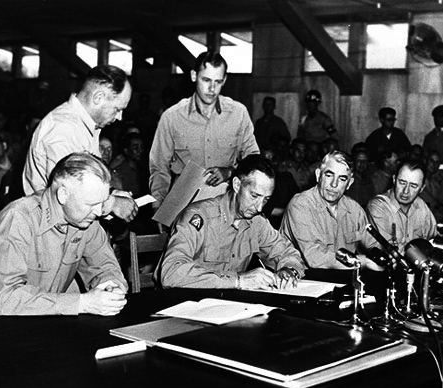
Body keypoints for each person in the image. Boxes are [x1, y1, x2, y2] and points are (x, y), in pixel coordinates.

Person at [0, 152, 128, 316]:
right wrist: (83, 303)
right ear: (63, 195)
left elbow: (105, 268)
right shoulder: (18, 218)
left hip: (47, 322)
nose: (99, 211)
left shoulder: (87, 219)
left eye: (102, 202)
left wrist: (111, 288)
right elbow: (6, 300)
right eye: (92, 204)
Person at [157, 154, 305, 289]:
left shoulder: (256, 221)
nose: (259, 207)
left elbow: (288, 252)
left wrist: (288, 270)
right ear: (236, 185)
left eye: (265, 199)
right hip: (186, 304)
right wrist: (239, 281)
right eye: (254, 196)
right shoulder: (199, 216)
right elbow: (171, 273)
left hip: (229, 307)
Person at [24, 65, 137, 222]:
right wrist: (112, 203)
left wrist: (111, 192)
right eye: (117, 109)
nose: (119, 117)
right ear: (98, 97)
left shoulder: (86, 126)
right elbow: (68, 197)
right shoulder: (63, 130)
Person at [150, 51, 259, 210]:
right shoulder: (171, 117)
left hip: (226, 205)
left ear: (225, 80)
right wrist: (157, 207)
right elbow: (159, 168)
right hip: (183, 206)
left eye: (218, 81)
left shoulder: (238, 114)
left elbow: (254, 160)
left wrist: (230, 171)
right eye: (206, 80)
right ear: (194, 76)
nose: (212, 88)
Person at [280, 151, 378, 269]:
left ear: (349, 183)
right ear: (318, 175)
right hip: (304, 279)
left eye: (342, 179)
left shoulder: (355, 210)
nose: (334, 184)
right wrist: (362, 262)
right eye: (329, 175)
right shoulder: (300, 205)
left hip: (341, 280)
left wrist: (383, 257)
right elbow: (315, 257)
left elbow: (373, 245)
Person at [367, 160, 436, 252]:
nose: (406, 191)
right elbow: (389, 253)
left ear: (422, 188)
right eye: (402, 182)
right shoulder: (378, 206)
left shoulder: (421, 206)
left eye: (413, 185)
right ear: (394, 180)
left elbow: (435, 239)